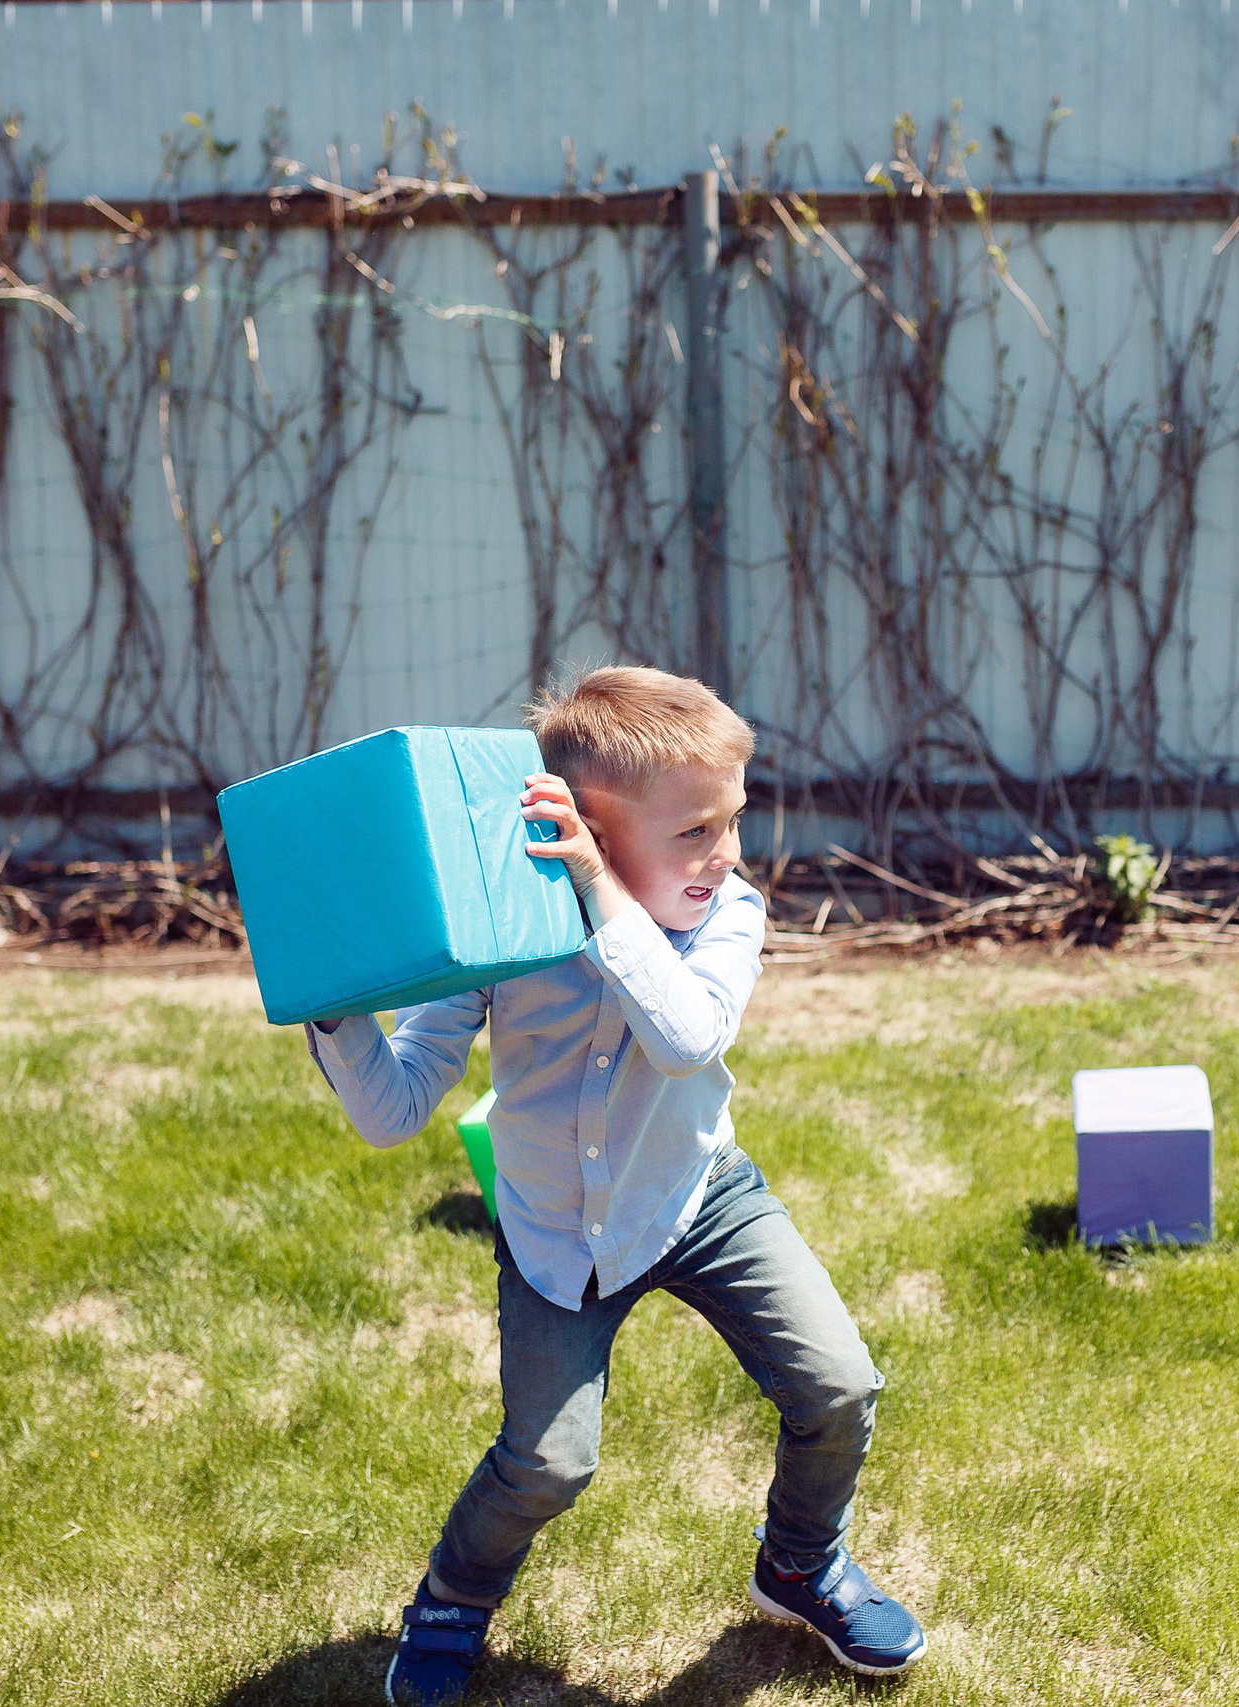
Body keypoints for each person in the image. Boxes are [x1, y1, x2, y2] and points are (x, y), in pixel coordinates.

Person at [301, 666, 925, 1705]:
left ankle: (800, 1565)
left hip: (696, 1196)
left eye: (731, 821)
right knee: (547, 1465)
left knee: (839, 1386)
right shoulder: (497, 935)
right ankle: (451, 1603)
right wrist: (334, 999)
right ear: (579, 821)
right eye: (694, 831)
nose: (725, 853)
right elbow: (393, 1109)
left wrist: (600, 887)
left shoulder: (726, 913)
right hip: (554, 1229)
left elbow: (684, 1039)